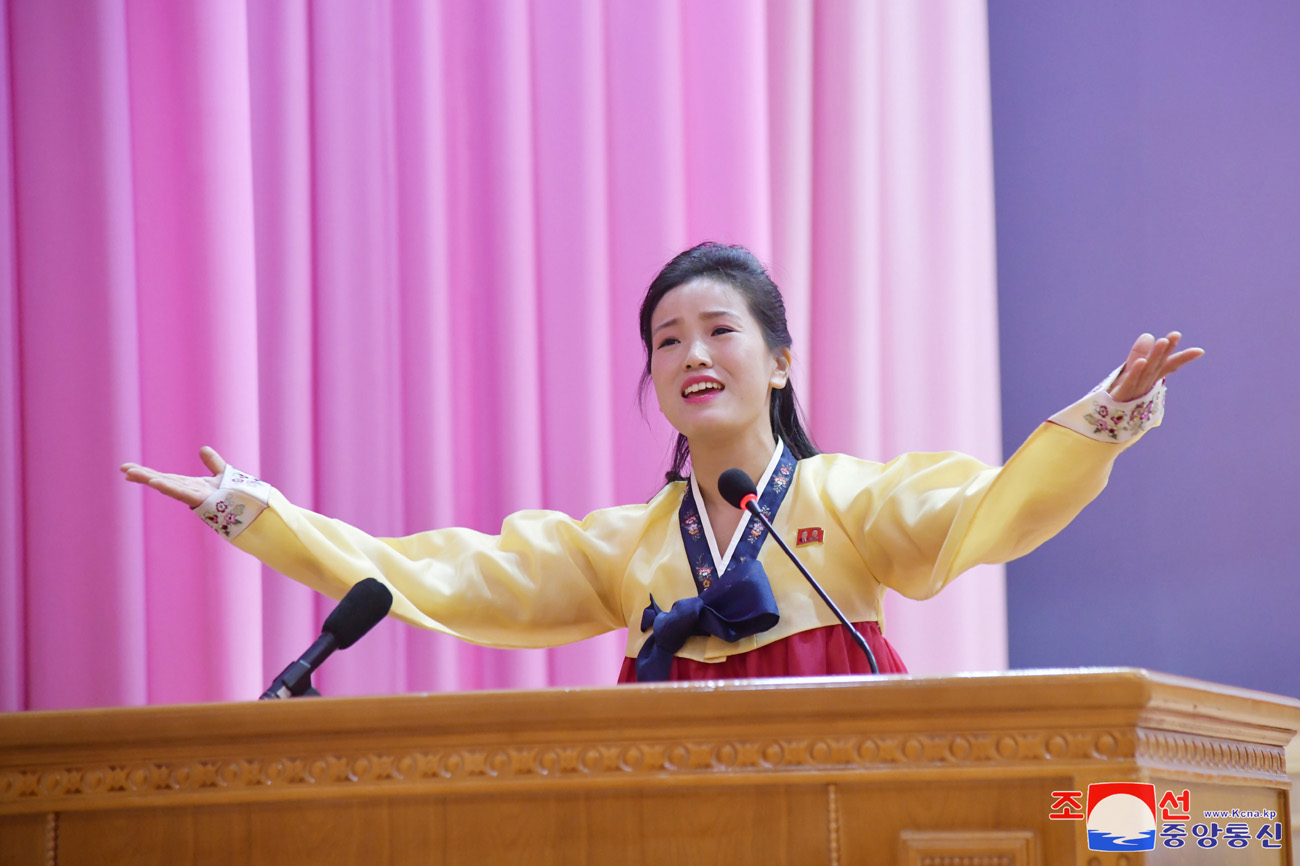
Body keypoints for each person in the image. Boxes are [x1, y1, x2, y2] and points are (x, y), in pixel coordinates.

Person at [121, 242, 1202, 683]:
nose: (691, 353)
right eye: (667, 337)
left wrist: (1104, 414)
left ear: (780, 360)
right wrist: (252, 509)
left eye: (719, 330)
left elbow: (989, 510)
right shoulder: (629, 545)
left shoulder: (850, 499)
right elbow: (439, 572)